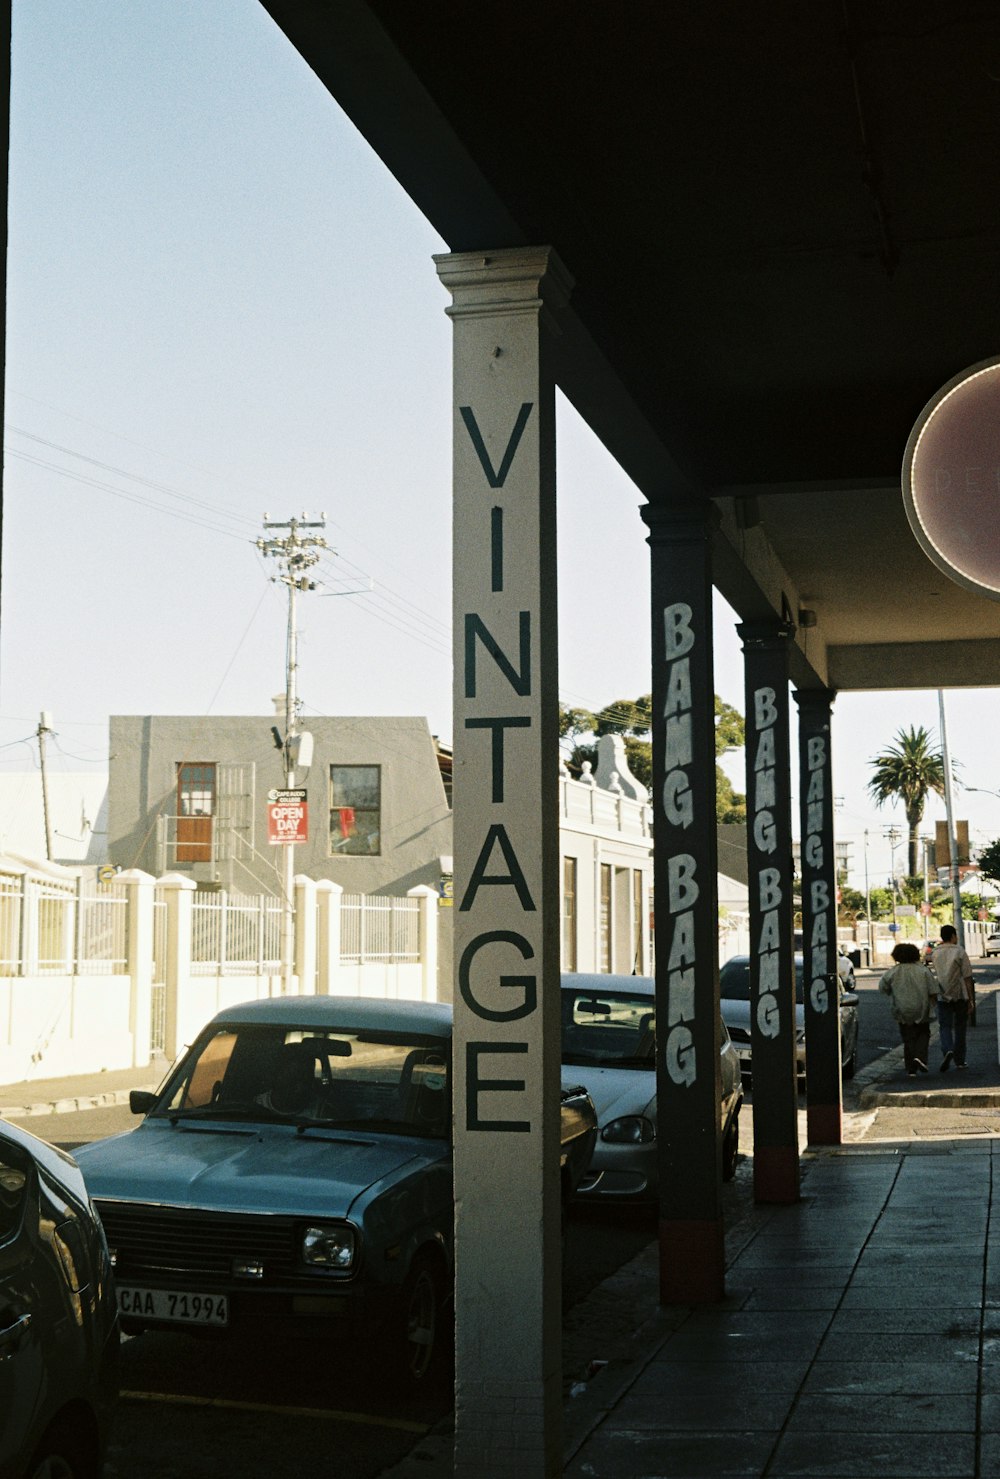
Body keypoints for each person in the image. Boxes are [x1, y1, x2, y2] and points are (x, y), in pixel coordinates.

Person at [879, 941, 937, 1077]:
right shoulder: (923, 970)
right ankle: (920, 1057)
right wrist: (932, 1003)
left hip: (902, 1008)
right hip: (921, 1007)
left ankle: (911, 1068)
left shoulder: (893, 972)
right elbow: (933, 990)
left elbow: (883, 988)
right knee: (923, 1033)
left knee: (908, 1036)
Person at [929, 924, 975, 1071]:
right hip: (960, 994)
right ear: (953, 936)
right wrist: (971, 999)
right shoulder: (960, 951)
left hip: (942, 994)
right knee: (960, 1027)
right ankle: (960, 1060)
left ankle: (947, 1049)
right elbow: (967, 977)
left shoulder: (935, 953)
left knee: (945, 1026)